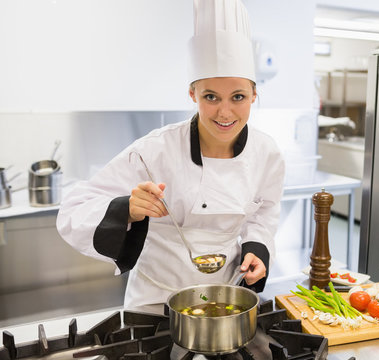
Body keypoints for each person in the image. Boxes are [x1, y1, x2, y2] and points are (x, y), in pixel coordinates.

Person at [56, 0, 285, 312]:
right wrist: (128, 210)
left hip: (227, 297)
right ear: (192, 94)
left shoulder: (267, 153)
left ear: (254, 96)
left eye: (238, 97)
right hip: (156, 300)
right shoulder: (154, 151)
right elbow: (73, 209)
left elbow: (264, 213)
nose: (225, 112)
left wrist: (257, 247)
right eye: (210, 97)